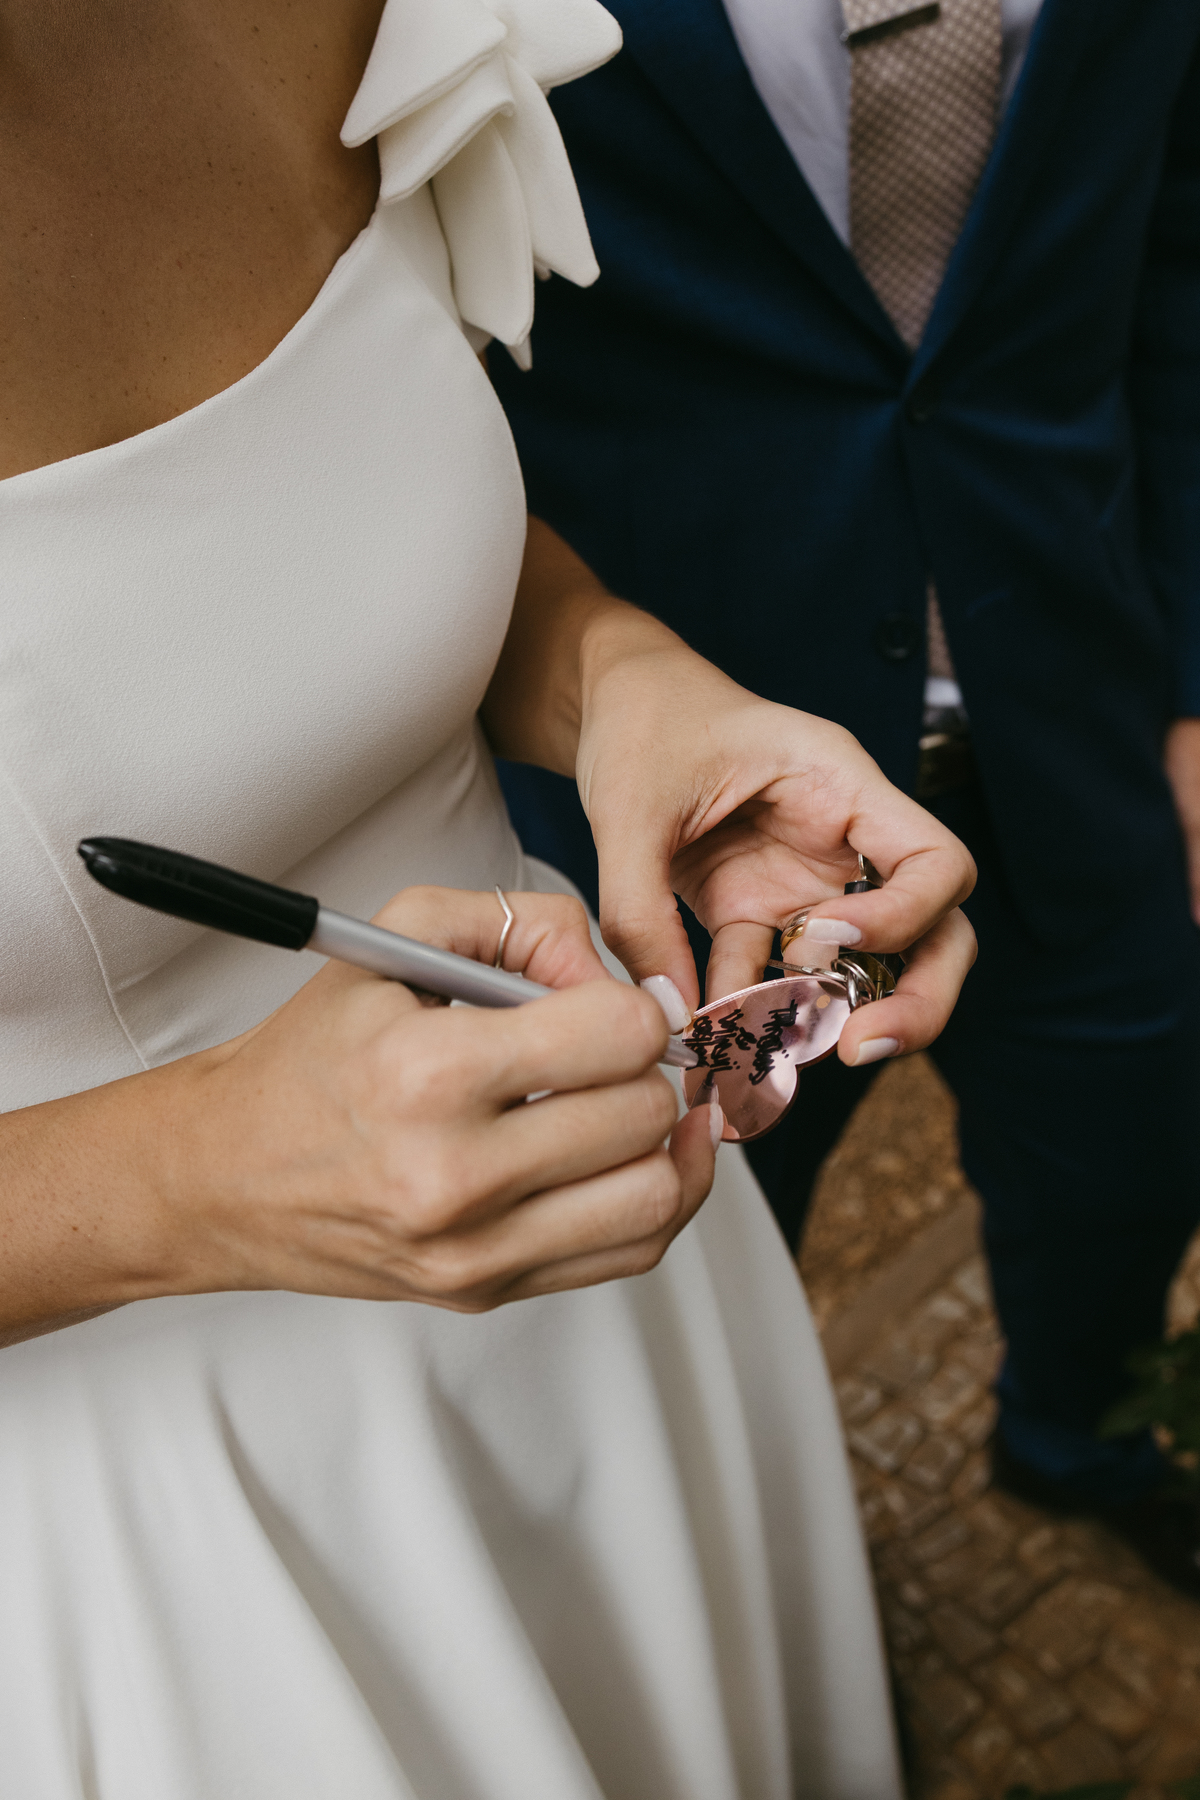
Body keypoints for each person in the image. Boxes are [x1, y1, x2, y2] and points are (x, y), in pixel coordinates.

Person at [0, 0, 977, 1792]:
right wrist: (172, 1173)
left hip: (613, 1282)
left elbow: (314, 531)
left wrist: (624, 682)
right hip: (162, 1529)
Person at [491, 0, 1200, 1595]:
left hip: (1076, 717)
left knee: (1135, 1161)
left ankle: (1078, 1443)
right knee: (688, 1258)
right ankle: (752, 1592)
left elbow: (1174, 257)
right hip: (694, 833)